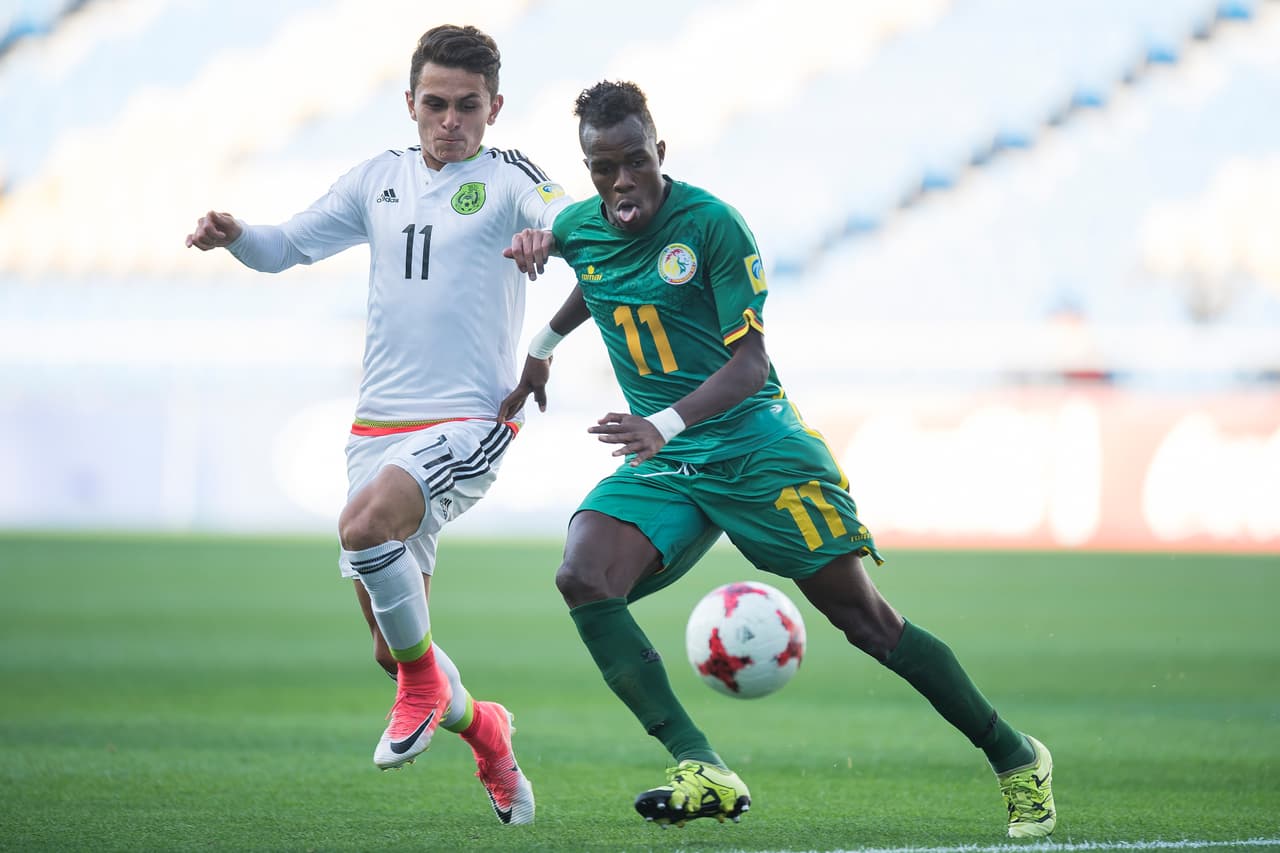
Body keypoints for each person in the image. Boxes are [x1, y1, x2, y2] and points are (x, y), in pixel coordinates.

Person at [499, 80, 1056, 838]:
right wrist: (539, 349)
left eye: (636, 162)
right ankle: (701, 764)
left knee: (867, 623)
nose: (622, 182)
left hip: (754, 446)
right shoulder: (583, 227)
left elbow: (751, 364)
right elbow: (592, 275)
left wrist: (662, 421)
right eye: (604, 168)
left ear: (660, 153)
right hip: (669, 462)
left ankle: (1017, 757)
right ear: (588, 167)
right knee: (582, 573)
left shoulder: (715, 226)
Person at [185, 24, 571, 826]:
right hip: (375, 430)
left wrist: (548, 233)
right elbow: (287, 244)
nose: (450, 120)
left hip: (469, 421)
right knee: (390, 650)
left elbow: (563, 212)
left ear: (495, 108)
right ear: (409, 103)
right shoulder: (377, 180)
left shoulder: (507, 179)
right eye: (435, 104)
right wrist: (236, 238)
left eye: (468, 106)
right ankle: (487, 734)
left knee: (362, 527)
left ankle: (429, 688)